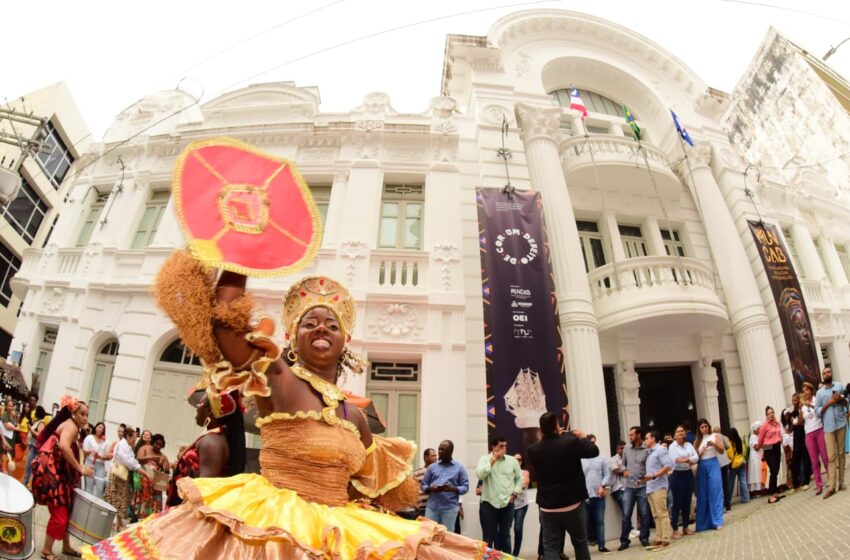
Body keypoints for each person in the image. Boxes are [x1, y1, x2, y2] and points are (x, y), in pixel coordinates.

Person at [84, 258, 506, 558]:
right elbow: (229, 337)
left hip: (338, 531)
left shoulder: (355, 415)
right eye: (309, 322)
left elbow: (368, 489)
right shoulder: (280, 380)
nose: (321, 328)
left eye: (331, 324)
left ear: (345, 341)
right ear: (293, 336)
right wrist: (238, 258)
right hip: (270, 527)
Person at [31, 396, 94, 560]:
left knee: (66, 511)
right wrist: (80, 467)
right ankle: (46, 550)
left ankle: (66, 546)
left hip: (58, 475)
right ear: (73, 413)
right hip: (53, 475)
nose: (85, 418)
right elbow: (64, 447)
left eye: (87, 415)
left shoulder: (72, 425)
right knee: (60, 516)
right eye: (82, 414)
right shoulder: (72, 427)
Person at [527, 412, 598, 560]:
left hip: (547, 506)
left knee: (551, 547)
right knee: (580, 543)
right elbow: (593, 451)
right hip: (572, 504)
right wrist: (582, 437)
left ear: (541, 429)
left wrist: (559, 436)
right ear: (556, 426)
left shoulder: (533, 449)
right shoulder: (570, 442)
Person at [168, 388, 247, 506]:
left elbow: (203, 491)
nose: (197, 408)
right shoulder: (212, 437)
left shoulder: (212, 442)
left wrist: (177, 517)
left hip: (191, 512)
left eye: (200, 404)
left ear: (210, 411)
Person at [476, 434, 523, 553]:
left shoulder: (512, 461)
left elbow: (519, 479)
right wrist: (492, 461)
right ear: (493, 447)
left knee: (505, 536)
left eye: (505, 446)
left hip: (507, 503)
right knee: (487, 537)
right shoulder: (484, 459)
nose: (504, 449)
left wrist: (514, 494)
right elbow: (480, 475)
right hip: (488, 504)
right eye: (500, 446)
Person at [103, 425, 152, 532]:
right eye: (133, 437)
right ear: (128, 437)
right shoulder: (122, 445)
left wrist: (143, 472)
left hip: (123, 476)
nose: (135, 440)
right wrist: (142, 471)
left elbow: (132, 461)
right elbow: (129, 462)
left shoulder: (127, 446)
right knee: (118, 499)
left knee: (121, 499)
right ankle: (118, 523)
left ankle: (118, 523)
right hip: (119, 475)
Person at [814, 367, 848, 499]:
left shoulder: (839, 386)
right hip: (828, 427)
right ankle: (831, 486)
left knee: (841, 453)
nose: (826, 374)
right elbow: (817, 411)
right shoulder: (819, 393)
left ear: (831, 373)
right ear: (822, 376)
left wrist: (840, 399)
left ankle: (841, 483)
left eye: (828, 372)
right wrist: (829, 403)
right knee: (831, 456)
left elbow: (847, 402)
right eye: (824, 373)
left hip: (841, 423)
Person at [422, 439, 469, 532]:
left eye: (443, 450)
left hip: (449, 509)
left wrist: (453, 489)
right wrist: (431, 488)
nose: (439, 452)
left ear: (450, 452)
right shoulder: (432, 467)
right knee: (429, 534)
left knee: (447, 536)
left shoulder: (460, 468)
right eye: (439, 449)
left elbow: (465, 487)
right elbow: (423, 485)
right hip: (432, 508)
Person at [617, 426, 651, 551]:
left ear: (638, 435)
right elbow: (623, 464)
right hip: (629, 487)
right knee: (626, 515)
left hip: (642, 486)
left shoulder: (647, 449)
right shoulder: (626, 448)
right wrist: (624, 471)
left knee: (644, 514)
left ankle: (644, 538)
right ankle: (624, 541)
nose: (630, 437)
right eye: (629, 435)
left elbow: (650, 466)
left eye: (632, 435)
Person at [643, 431, 674, 550]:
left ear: (653, 439)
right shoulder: (650, 452)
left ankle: (665, 539)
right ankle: (659, 538)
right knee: (656, 515)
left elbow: (668, 465)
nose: (645, 440)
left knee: (662, 513)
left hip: (659, 486)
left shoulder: (660, 449)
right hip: (650, 487)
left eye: (646, 438)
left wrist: (655, 475)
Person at [580, 434, 611, 554]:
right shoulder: (580, 459)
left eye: (594, 442)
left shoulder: (601, 458)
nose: (592, 444)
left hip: (599, 495)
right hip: (585, 496)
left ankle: (602, 546)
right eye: (590, 442)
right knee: (585, 523)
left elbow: (607, 474)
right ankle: (585, 549)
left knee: (600, 522)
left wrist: (603, 486)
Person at [667, 424, 698, 539]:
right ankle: (675, 529)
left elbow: (696, 457)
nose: (680, 433)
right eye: (678, 431)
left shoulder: (689, 445)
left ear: (685, 433)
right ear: (675, 435)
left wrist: (686, 460)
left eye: (682, 431)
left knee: (687, 501)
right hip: (677, 475)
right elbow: (675, 460)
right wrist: (689, 459)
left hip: (688, 474)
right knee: (677, 503)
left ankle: (686, 527)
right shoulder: (672, 447)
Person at [694, 418, 725, 530]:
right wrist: (700, 452)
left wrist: (714, 444)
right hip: (702, 465)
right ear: (699, 429)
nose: (704, 429)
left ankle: (717, 521)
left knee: (715, 491)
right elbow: (695, 457)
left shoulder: (715, 436)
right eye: (702, 427)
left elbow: (722, 450)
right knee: (703, 494)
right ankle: (703, 523)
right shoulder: (697, 440)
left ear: (708, 426)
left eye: (706, 426)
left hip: (713, 463)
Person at [800, 381, 829, 495]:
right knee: (814, 461)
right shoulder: (802, 406)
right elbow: (801, 422)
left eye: (807, 390)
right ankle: (819, 485)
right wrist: (800, 410)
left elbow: (821, 411)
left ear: (811, 390)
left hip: (819, 430)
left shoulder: (817, 399)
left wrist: (810, 405)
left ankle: (831, 480)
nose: (805, 392)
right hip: (809, 434)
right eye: (803, 391)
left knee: (825, 457)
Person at [133, 433, 170, 518]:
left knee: (154, 503)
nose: (158, 446)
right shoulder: (144, 448)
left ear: (162, 446)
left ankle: (151, 518)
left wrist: (160, 465)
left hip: (156, 486)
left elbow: (167, 472)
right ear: (153, 442)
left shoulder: (163, 457)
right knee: (143, 500)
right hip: (144, 484)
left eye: (160, 445)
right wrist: (150, 458)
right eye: (156, 444)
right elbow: (138, 460)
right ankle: (139, 517)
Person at [754, 407, 783, 504]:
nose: (771, 414)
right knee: (773, 470)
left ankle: (774, 493)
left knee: (776, 469)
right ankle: (771, 495)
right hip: (769, 449)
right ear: (766, 415)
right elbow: (760, 440)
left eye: (772, 412)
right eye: (769, 413)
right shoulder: (764, 426)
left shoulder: (777, 423)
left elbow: (779, 434)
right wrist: (763, 450)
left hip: (777, 447)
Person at [404, 447, 436, 520]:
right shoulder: (417, 473)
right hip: (420, 509)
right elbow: (411, 490)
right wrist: (414, 505)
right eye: (433, 456)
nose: (436, 458)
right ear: (426, 457)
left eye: (436, 455)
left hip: (433, 508)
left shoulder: (437, 472)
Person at [788, 393, 811, 490]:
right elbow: (791, 428)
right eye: (793, 401)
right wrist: (790, 421)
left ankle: (806, 481)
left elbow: (801, 422)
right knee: (795, 462)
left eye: (795, 400)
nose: (794, 402)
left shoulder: (803, 410)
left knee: (806, 460)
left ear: (799, 400)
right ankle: (795, 484)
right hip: (796, 438)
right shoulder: (792, 413)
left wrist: (801, 411)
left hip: (804, 436)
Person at [82, 422, 110, 498]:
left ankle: (98, 508)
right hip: (89, 462)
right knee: (89, 487)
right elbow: (84, 451)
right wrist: (90, 451)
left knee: (100, 487)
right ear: (96, 427)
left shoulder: (105, 441)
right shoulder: (89, 438)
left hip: (100, 465)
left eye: (103, 428)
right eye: (99, 427)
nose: (101, 429)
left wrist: (102, 457)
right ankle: (87, 507)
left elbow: (108, 455)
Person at [24, 405, 47, 487]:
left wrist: (31, 429)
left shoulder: (41, 423)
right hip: (32, 447)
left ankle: (26, 484)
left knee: (29, 466)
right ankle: (26, 483)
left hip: (35, 448)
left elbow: (39, 435)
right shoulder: (38, 421)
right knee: (28, 466)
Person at [512, 453, 531, 557]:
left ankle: (515, 554)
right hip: (509, 504)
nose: (517, 461)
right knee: (503, 530)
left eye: (519, 459)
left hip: (522, 505)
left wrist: (512, 488)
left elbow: (524, 484)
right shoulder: (508, 473)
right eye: (515, 459)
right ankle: (505, 553)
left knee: (518, 529)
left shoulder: (525, 472)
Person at [725, 427, 749, 505]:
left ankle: (728, 500)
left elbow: (730, 455)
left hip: (734, 465)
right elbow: (744, 451)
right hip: (742, 462)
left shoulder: (730, 444)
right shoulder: (740, 441)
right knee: (743, 481)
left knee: (731, 482)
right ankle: (746, 498)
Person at [712, 425, 732, 511]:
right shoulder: (723, 437)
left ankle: (722, 505)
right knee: (726, 484)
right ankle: (728, 504)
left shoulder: (711, 438)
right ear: (719, 431)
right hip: (724, 462)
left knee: (718, 485)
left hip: (717, 463)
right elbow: (727, 446)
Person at [608, 441, 626, 516]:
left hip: (628, 488)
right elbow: (616, 471)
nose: (623, 450)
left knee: (627, 512)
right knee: (626, 510)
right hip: (618, 489)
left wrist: (621, 468)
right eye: (621, 448)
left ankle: (628, 528)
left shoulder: (629, 459)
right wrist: (626, 470)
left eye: (625, 448)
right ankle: (629, 528)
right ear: (617, 449)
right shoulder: (613, 459)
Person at [747, 422, 764, 496]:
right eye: (759, 428)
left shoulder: (758, 436)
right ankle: (756, 491)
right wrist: (762, 441)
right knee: (756, 473)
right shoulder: (753, 437)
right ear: (755, 429)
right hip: (755, 457)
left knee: (759, 472)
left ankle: (761, 489)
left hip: (759, 456)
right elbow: (756, 447)